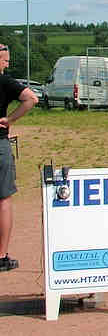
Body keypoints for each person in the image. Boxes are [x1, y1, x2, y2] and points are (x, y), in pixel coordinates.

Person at [0, 44, 39, 271]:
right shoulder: (4, 81)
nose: (7, 65)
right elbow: (31, 99)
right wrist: (10, 119)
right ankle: (1, 255)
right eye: (5, 60)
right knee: (3, 199)